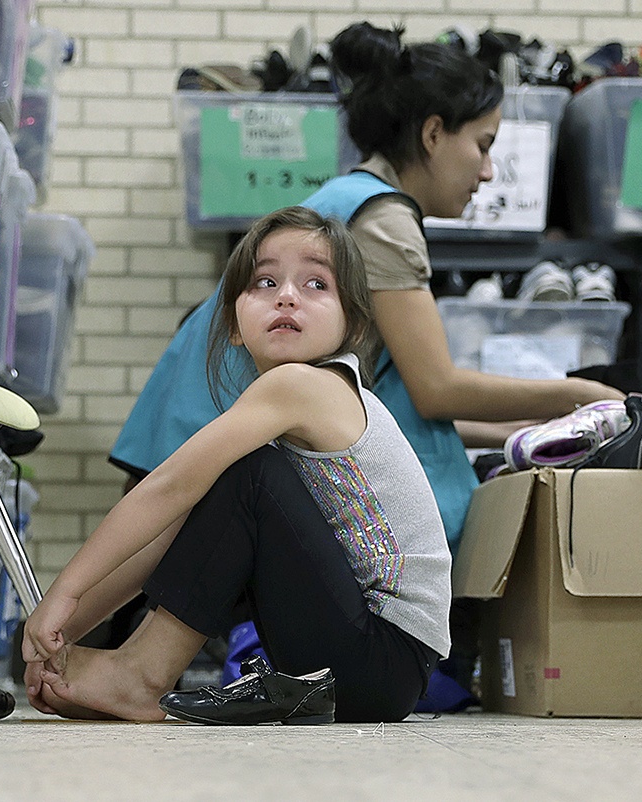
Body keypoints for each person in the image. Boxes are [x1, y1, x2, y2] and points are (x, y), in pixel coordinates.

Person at [111, 22, 623, 551]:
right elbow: (435, 390)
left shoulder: (348, 195)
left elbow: (397, 403)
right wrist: (579, 394)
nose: (489, 171)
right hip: (202, 467)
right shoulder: (381, 219)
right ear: (432, 134)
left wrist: (532, 428)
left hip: (184, 442)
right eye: (482, 145)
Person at [23, 206, 450, 723]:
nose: (287, 295)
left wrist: (64, 591)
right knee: (226, 485)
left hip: (380, 659)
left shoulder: (305, 386)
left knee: (243, 477)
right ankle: (133, 670)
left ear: (351, 325)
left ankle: (140, 673)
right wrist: (57, 635)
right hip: (372, 665)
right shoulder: (283, 404)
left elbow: (168, 487)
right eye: (265, 281)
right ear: (233, 325)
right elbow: (167, 534)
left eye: (316, 283)